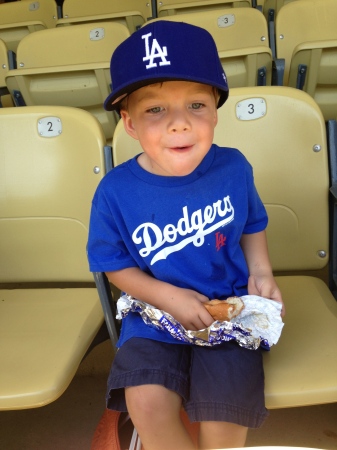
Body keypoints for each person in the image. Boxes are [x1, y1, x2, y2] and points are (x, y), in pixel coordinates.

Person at [87, 20, 284, 450]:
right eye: (155, 109)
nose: (180, 124)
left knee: (223, 416)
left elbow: (251, 222)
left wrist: (262, 271)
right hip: (154, 315)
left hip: (227, 311)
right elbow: (112, 264)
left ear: (215, 108)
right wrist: (168, 297)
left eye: (196, 104)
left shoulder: (233, 167)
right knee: (148, 403)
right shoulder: (115, 191)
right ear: (130, 123)